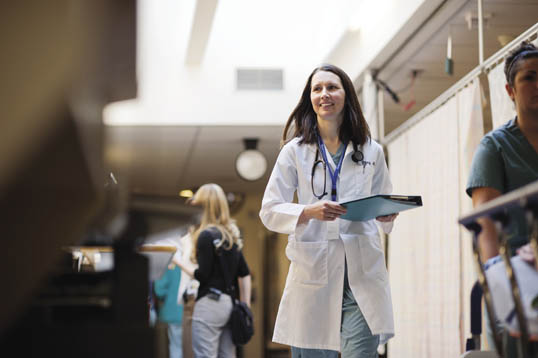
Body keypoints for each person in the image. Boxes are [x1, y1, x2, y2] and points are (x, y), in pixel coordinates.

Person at [259, 64, 398, 358]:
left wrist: (386, 214)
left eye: (332, 87)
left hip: (363, 274)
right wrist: (309, 211)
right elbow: (269, 210)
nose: (325, 94)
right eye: (317, 88)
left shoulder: (371, 150)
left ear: (346, 95)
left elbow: (383, 201)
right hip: (314, 275)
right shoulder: (294, 152)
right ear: (309, 97)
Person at [466, 41, 538, 350]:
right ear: (510, 90)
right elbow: (486, 226)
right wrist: (501, 284)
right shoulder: (494, 147)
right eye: (529, 77)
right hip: (518, 280)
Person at [176, 183, 252, 358]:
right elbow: (245, 272)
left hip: (209, 304)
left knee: (205, 355)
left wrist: (178, 261)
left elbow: (203, 275)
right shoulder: (230, 236)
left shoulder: (205, 236)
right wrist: (245, 305)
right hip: (230, 305)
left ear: (203, 205)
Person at [154, 262, 184, 358]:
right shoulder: (192, 259)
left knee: (176, 348)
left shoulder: (168, 264)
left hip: (173, 311)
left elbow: (159, 290)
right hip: (194, 312)